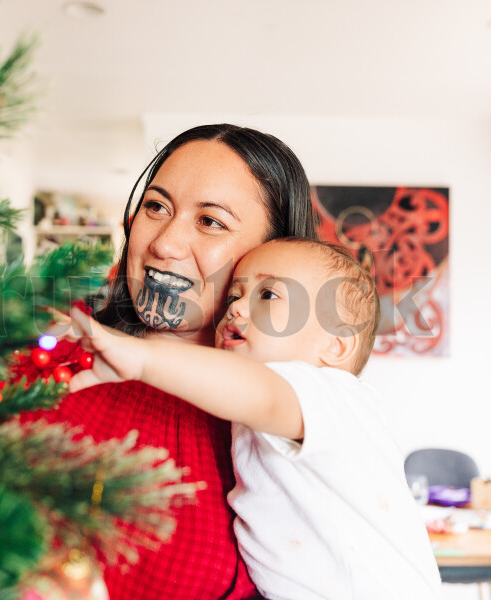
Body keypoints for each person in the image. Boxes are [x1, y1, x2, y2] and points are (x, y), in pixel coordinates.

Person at [59, 238, 442, 600]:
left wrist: (142, 359)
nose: (237, 309)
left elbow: (262, 394)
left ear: (335, 346)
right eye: (234, 296)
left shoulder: (332, 395)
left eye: (268, 295)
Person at [34, 124, 319, 599]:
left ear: (272, 251)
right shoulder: (53, 353)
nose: (164, 243)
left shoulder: (287, 416)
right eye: (156, 206)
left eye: (210, 221)